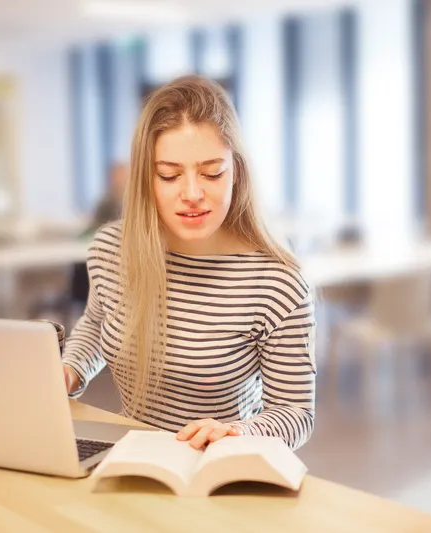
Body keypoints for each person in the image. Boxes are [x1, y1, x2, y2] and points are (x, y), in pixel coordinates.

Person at [61, 75, 316, 451]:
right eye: (170, 175)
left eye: (213, 173)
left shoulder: (277, 282)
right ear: (147, 179)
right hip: (139, 460)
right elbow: (98, 323)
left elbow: (296, 413)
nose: (193, 194)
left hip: (225, 469)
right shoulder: (110, 250)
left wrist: (236, 433)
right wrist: (70, 370)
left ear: (237, 172)